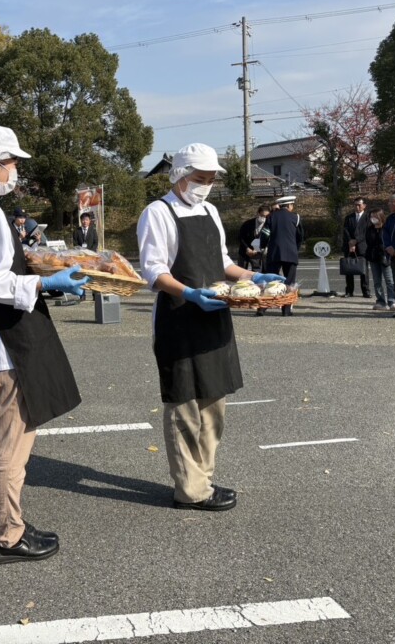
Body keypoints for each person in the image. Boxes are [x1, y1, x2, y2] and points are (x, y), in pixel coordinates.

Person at [0, 124, 87, 564]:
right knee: (9, 444)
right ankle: (8, 536)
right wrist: (47, 282)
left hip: (4, 337)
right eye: (11, 161)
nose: (15, 170)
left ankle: (12, 524)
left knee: (15, 438)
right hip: (3, 340)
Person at [137, 143, 284, 512]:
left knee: (214, 404)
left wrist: (252, 276)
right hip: (178, 316)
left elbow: (221, 262)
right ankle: (190, 491)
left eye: (210, 180)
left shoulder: (210, 211)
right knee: (185, 405)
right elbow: (153, 272)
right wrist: (190, 293)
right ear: (179, 175)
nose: (205, 186)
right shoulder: (157, 213)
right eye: (199, 179)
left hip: (214, 313)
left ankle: (203, 479)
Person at [262, 195, 304, 316]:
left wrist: (263, 246)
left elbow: (265, 234)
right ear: (289, 205)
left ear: (280, 206)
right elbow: (300, 236)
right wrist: (295, 249)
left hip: (274, 253)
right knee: (289, 282)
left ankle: (262, 308)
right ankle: (286, 310)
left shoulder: (271, 216)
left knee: (270, 281)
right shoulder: (295, 217)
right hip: (291, 253)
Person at [365, 207, 395, 311]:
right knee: (377, 281)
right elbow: (369, 242)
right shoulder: (370, 229)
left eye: (375, 216)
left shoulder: (387, 228)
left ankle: (392, 301)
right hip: (373, 257)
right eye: (371, 217)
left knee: (389, 280)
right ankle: (380, 301)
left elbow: (389, 242)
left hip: (385, 257)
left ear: (380, 216)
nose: (372, 218)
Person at [342, 197, 370, 298]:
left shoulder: (368, 217)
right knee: (349, 268)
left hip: (362, 246)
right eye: (355, 205)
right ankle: (349, 291)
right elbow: (345, 230)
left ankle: (366, 291)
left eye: (359, 205)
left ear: (364, 206)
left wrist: (356, 240)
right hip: (349, 246)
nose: (357, 207)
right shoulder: (349, 217)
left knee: (364, 270)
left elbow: (367, 232)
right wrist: (350, 241)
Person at [236, 204, 270, 271]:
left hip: (257, 253)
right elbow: (241, 237)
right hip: (245, 251)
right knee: (241, 271)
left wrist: (259, 249)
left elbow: (268, 239)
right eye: (262, 215)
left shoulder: (268, 225)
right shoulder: (248, 224)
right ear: (258, 213)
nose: (264, 218)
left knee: (256, 271)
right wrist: (247, 248)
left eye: (266, 216)